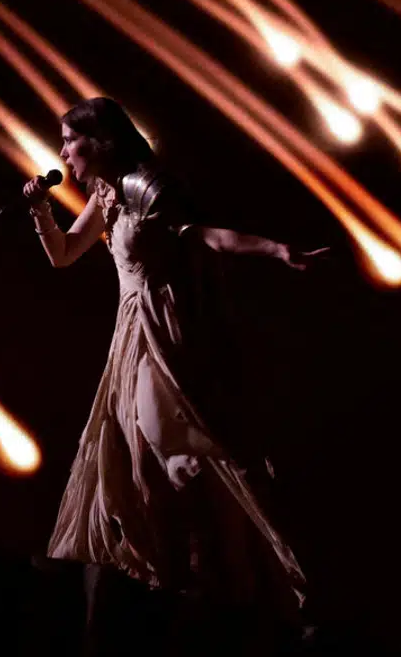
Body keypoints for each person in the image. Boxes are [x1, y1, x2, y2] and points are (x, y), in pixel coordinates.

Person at [21, 97, 327, 615]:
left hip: (164, 331)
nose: (63, 151)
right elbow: (64, 256)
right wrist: (40, 211)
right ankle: (185, 570)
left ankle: (218, 566)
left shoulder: (148, 187)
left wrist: (274, 250)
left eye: (71, 139)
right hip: (129, 333)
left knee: (171, 442)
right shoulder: (104, 194)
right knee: (142, 459)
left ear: (102, 141)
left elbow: (208, 237)